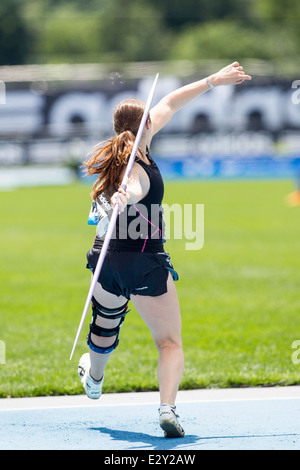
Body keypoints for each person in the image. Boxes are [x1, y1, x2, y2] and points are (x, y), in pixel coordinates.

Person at [78, 61, 252, 438]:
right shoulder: (136, 166)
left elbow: (171, 101)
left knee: (105, 325)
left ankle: (94, 377)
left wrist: (211, 80)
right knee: (170, 343)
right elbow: (135, 188)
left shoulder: (117, 159)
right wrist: (125, 197)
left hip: (107, 263)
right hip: (146, 264)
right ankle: (167, 409)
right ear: (147, 126)